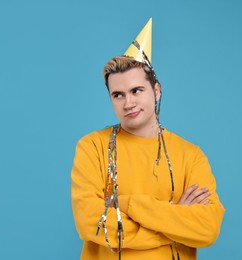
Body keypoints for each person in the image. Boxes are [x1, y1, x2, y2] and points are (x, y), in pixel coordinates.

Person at [71, 18, 225, 260]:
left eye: (136, 91)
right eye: (118, 95)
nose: (128, 103)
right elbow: (91, 223)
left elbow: (207, 228)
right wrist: (173, 222)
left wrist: (126, 203)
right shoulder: (92, 147)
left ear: (156, 90)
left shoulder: (191, 155)